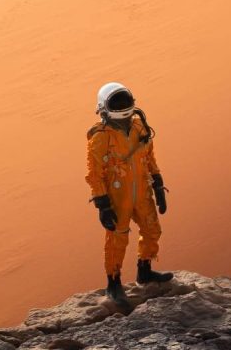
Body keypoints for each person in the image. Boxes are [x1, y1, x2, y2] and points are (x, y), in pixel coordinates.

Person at [85, 82, 171, 311]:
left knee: (152, 229)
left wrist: (158, 184)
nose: (123, 110)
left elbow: (149, 157)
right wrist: (102, 203)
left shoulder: (139, 128)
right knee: (117, 239)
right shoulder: (101, 137)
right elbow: (95, 173)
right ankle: (113, 283)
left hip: (142, 191)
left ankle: (145, 270)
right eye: (118, 104)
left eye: (125, 103)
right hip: (117, 196)